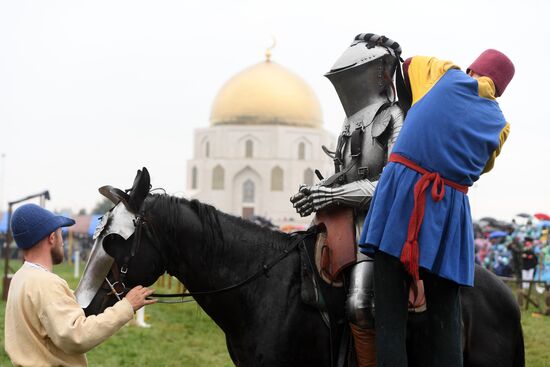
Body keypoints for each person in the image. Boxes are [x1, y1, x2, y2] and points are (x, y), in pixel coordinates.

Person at [359, 49, 515, 366]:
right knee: (446, 321)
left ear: (473, 67)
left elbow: (407, 66)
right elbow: (483, 166)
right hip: (448, 213)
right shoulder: (501, 126)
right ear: (500, 89)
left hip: (401, 197)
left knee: (390, 319)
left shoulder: (442, 72)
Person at [291, 33, 405, 367]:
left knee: (361, 305)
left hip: (376, 224)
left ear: (381, 72)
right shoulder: (349, 122)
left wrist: (333, 193)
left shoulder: (395, 115)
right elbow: (346, 173)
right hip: (342, 220)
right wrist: (316, 192)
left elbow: (390, 184)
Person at [5, 203, 157, 367]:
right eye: (60, 233)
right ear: (51, 238)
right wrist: (127, 306)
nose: (63, 242)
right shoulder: (45, 283)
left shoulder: (20, 277)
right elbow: (77, 336)